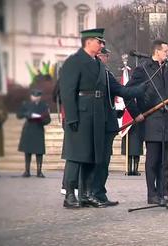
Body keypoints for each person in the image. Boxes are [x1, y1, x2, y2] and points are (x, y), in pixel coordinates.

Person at [59, 28, 145, 209]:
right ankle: (70, 195)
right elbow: (67, 92)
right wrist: (72, 118)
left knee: (91, 155)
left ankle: (86, 195)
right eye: (99, 42)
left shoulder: (98, 64)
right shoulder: (74, 62)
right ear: (88, 41)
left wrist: (139, 89)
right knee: (76, 156)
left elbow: (118, 89)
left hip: (97, 116)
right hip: (81, 114)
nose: (102, 45)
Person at [125, 39, 168, 206]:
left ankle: (165, 191)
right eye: (165, 51)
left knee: (164, 161)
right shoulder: (143, 69)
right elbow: (127, 92)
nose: (167, 54)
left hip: (166, 120)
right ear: (157, 52)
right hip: (151, 121)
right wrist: (136, 113)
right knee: (153, 160)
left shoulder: (165, 70)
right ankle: (152, 194)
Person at [89, 47, 144, 206]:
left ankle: (99, 193)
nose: (106, 58)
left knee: (104, 161)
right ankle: (92, 192)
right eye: (104, 55)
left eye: (105, 55)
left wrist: (137, 90)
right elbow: (120, 90)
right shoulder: (95, 73)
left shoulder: (106, 73)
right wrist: (137, 90)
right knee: (98, 160)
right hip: (98, 123)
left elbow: (119, 90)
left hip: (108, 123)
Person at [16, 88, 51, 178]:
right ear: (31, 96)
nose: (36, 98)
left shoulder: (44, 106)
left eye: (38, 96)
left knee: (39, 152)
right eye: (34, 96)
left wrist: (41, 120)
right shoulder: (26, 104)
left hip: (38, 129)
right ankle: (27, 171)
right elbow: (19, 115)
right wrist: (26, 114)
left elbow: (48, 119)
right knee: (27, 151)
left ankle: (39, 171)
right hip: (28, 129)